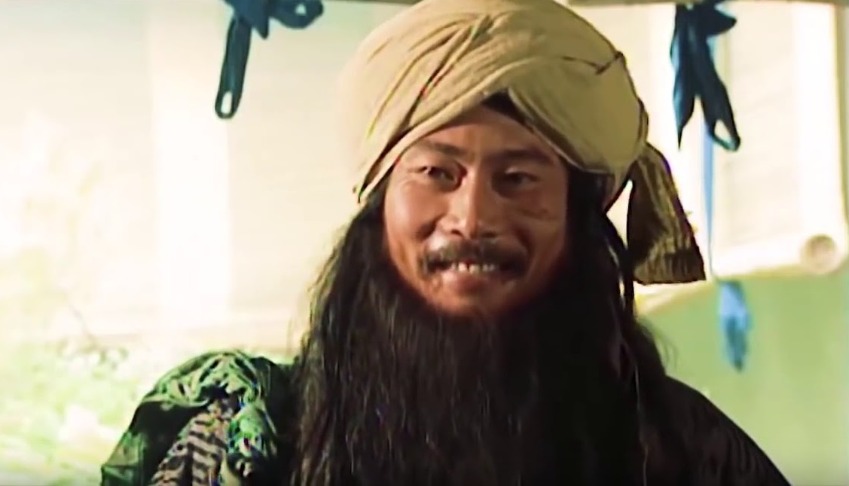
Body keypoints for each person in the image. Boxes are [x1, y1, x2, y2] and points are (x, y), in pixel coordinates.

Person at [101, 0, 791, 484]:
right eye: (437, 173)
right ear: (380, 201)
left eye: (518, 178)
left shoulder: (683, 454)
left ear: (579, 216)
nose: (472, 217)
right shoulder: (243, 440)